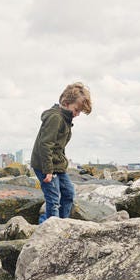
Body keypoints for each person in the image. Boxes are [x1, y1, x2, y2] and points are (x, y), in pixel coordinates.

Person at [30, 82, 92, 223]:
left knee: (69, 193)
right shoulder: (56, 118)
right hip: (45, 166)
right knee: (53, 199)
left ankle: (62, 224)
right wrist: (48, 170)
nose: (77, 114)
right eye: (76, 110)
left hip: (57, 165)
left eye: (80, 112)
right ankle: (51, 230)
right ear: (65, 102)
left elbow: (58, 145)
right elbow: (45, 144)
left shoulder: (65, 118)